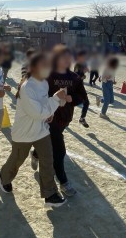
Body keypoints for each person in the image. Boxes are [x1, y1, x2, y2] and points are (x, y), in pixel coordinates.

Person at [0, 52, 69, 207]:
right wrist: (56, 99)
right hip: (24, 132)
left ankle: (50, 194)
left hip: (41, 130)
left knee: (48, 160)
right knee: (17, 159)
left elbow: (43, 106)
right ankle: (3, 176)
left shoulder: (44, 83)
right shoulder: (27, 87)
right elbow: (38, 112)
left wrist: (49, 114)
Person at [30, 46, 88, 197]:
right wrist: (50, 101)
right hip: (49, 118)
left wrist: (71, 98)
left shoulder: (74, 78)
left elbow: (82, 96)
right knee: (59, 151)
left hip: (65, 119)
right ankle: (63, 182)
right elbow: (37, 93)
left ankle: (36, 153)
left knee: (52, 142)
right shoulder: (47, 74)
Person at [73, 50, 91, 127]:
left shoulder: (83, 64)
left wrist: (84, 73)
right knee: (70, 104)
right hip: (76, 87)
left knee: (86, 102)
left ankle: (82, 118)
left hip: (80, 87)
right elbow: (75, 78)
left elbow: (84, 72)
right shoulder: (77, 65)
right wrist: (82, 76)